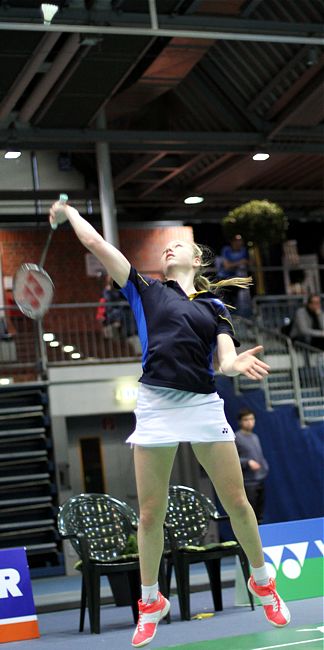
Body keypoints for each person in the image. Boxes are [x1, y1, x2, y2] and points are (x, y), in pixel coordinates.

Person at [49, 201, 290, 648]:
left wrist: (235, 365)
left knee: (237, 502)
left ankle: (262, 581)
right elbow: (97, 243)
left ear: (196, 259)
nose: (168, 250)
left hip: (202, 404)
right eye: (165, 248)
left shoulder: (215, 307)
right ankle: (150, 601)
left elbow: (224, 362)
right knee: (149, 513)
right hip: (157, 404)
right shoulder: (143, 289)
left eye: (177, 245)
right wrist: (69, 213)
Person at [235, 408, 269, 524]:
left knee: (259, 515)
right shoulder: (237, 438)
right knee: (249, 515)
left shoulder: (255, 437)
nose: (249, 422)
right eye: (246, 419)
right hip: (247, 482)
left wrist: (264, 468)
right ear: (240, 422)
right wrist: (247, 462)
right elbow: (233, 460)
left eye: (251, 419)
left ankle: (261, 539)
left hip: (259, 480)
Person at [217, 234, 252, 317]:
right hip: (224, 279)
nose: (238, 242)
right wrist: (240, 262)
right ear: (232, 242)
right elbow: (227, 266)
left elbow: (249, 263)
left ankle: (236, 318)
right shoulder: (226, 250)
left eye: (240, 240)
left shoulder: (243, 250)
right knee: (225, 302)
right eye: (236, 240)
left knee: (235, 302)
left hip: (236, 280)